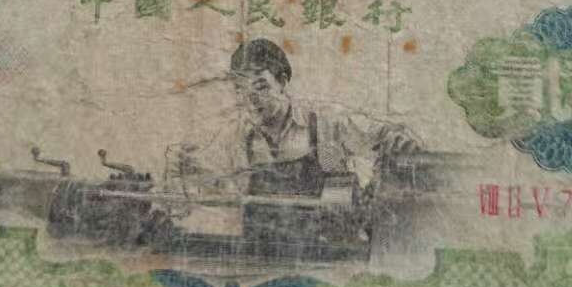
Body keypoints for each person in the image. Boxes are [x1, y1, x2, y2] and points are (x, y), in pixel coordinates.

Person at [178, 38, 419, 196]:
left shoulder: (326, 122)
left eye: (261, 87)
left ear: (282, 82)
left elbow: (388, 137)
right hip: (263, 249)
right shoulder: (236, 138)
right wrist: (192, 171)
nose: (251, 100)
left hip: (329, 247)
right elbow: (212, 182)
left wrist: (398, 148)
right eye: (241, 90)